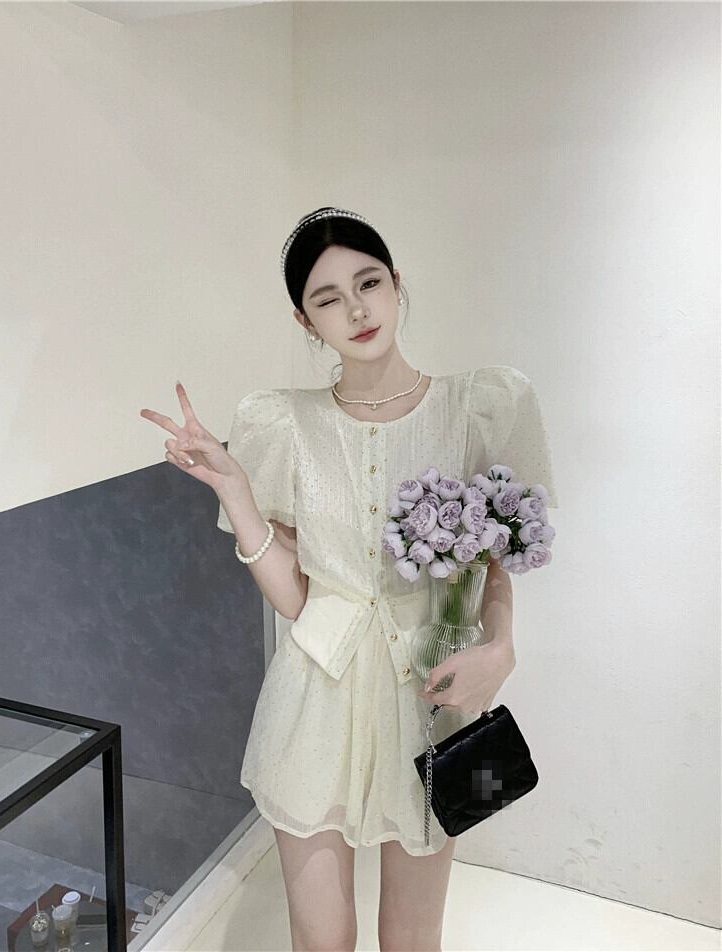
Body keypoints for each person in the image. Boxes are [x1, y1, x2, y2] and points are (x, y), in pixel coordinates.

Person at [140, 207, 558, 951]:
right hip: (314, 701)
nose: (357, 310)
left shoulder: (480, 407)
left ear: (396, 283)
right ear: (305, 320)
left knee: (412, 937)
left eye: (368, 283)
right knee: (321, 937)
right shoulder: (281, 422)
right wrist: (236, 490)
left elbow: (498, 561)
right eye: (328, 298)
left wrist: (499, 647)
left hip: (430, 699)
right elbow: (299, 599)